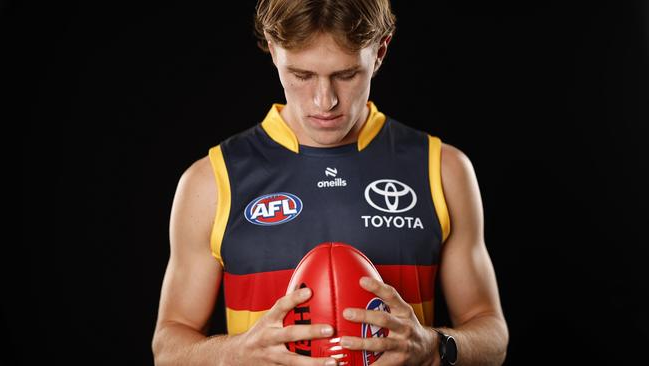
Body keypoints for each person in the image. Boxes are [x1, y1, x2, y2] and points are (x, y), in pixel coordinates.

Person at [152, 0, 509, 365]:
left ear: (380, 51)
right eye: (302, 75)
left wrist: (435, 347)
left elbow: (493, 338)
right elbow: (167, 348)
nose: (325, 101)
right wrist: (236, 353)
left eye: (346, 74)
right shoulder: (212, 180)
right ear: (274, 51)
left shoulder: (442, 169)